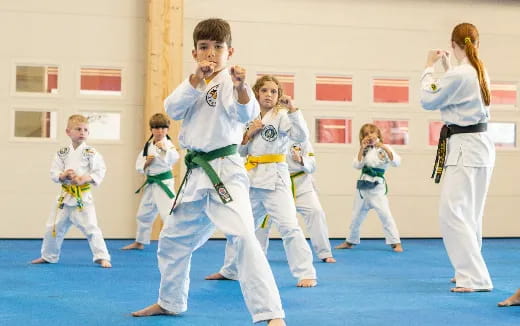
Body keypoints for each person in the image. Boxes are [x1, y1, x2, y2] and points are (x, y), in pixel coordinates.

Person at [131, 18, 285, 325]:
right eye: (204, 47)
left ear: (230, 51)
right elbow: (172, 109)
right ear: (194, 52)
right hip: (196, 173)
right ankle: (170, 302)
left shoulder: (231, 82)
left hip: (225, 171)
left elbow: (245, 113)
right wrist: (194, 81)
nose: (211, 54)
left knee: (243, 235)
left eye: (218, 47)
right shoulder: (193, 83)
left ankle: (271, 314)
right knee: (173, 239)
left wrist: (242, 88)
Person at [205, 75, 317, 287]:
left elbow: (301, 136)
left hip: (276, 178)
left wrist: (293, 110)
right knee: (239, 227)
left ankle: (306, 272)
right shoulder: (248, 116)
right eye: (265, 90)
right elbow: (238, 150)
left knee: (289, 226)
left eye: (274, 91)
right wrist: (249, 134)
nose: (269, 95)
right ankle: (231, 270)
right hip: (251, 178)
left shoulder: (282, 116)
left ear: (279, 95)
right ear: (257, 93)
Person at [420, 22, 494, 293]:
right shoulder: (479, 70)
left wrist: (429, 67)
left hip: (465, 146)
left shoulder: (464, 73)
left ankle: (474, 277)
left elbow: (428, 98)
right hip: (480, 145)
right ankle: (468, 270)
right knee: (471, 214)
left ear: (453, 44)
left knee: (451, 212)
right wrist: (448, 68)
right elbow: (458, 93)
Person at [31, 114, 111, 268]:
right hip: (64, 197)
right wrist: (63, 175)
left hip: (83, 198)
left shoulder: (91, 152)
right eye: (78, 129)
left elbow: (100, 170)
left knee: (91, 228)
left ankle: (102, 256)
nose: (82, 132)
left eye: (85, 130)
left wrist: (83, 179)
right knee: (52, 228)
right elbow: (54, 172)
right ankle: (48, 256)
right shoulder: (62, 153)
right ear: (68, 132)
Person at [255, 139, 336, 263]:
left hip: (301, 184)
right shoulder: (269, 135)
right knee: (262, 218)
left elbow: (313, 165)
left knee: (316, 212)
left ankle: (325, 252)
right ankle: (258, 254)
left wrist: (301, 160)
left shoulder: (301, 138)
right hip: (275, 182)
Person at [335, 124, 403, 252]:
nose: (369, 135)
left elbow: (396, 162)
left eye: (372, 132)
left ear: (378, 134)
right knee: (356, 215)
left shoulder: (385, 148)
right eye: (366, 134)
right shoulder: (365, 149)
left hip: (377, 187)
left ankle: (396, 242)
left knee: (385, 214)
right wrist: (361, 148)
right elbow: (357, 165)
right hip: (363, 187)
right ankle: (350, 241)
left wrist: (384, 147)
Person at [122, 113, 179, 250]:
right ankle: (140, 242)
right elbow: (139, 164)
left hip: (163, 183)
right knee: (143, 214)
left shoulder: (168, 144)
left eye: (163, 128)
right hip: (151, 183)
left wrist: (163, 149)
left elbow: (175, 157)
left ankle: (175, 244)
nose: (159, 131)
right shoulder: (148, 145)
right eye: (156, 128)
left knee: (168, 214)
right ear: (151, 129)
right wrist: (146, 163)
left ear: (167, 129)